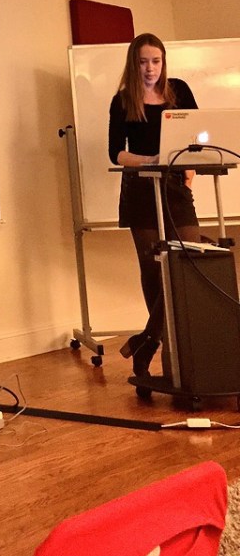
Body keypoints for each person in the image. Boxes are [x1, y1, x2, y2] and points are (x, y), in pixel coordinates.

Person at [108, 33, 201, 377]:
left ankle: (146, 340)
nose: (150, 68)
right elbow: (115, 153)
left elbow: (196, 136)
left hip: (176, 188)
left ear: (163, 62)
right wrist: (149, 160)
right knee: (153, 270)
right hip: (140, 190)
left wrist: (189, 175)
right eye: (143, 62)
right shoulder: (122, 100)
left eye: (156, 61)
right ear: (134, 64)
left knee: (189, 262)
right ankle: (161, 349)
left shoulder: (179, 90)